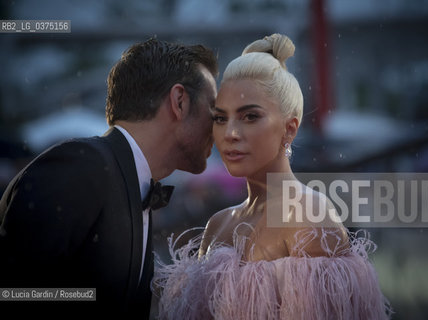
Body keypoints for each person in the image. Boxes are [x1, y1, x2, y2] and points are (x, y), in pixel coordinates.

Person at [153, 34, 391, 319]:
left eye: (250, 116)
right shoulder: (219, 224)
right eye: (220, 118)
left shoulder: (307, 216)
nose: (230, 134)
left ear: (289, 128)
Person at [0, 38, 217, 319]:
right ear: (179, 102)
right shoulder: (79, 167)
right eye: (214, 111)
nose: (219, 125)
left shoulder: (127, 180)